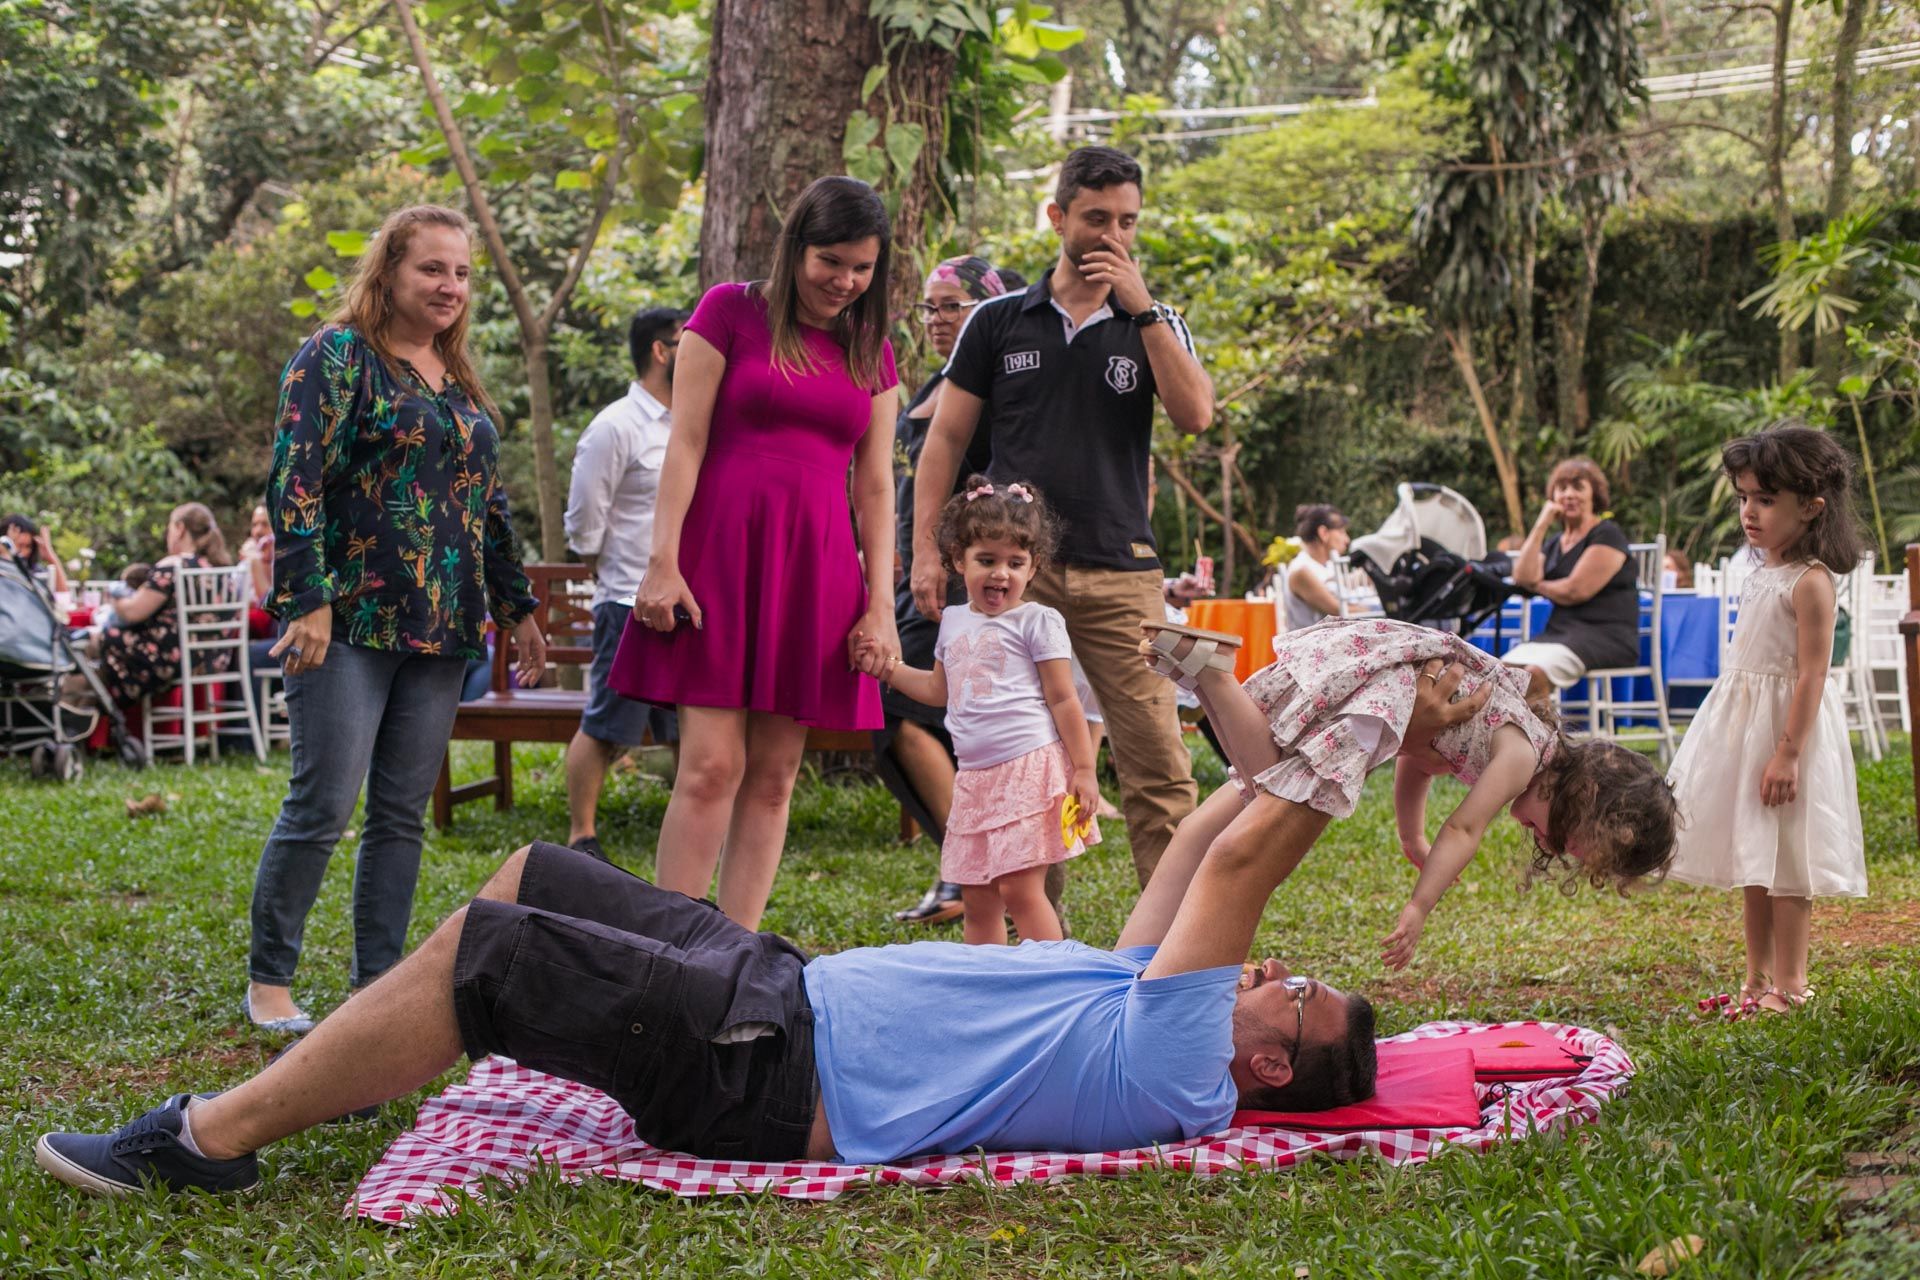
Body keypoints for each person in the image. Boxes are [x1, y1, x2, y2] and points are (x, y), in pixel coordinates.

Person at [25, 664, 1496, 1199]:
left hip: (771, 1077)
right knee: (539, 870)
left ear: (1261, 1075)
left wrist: (1371, 733)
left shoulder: (1181, 1072)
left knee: (493, 956)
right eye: (1293, 976)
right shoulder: (1145, 994)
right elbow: (1206, 834)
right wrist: (1353, 688)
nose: (1275, 978)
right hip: (780, 988)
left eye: (1289, 1003)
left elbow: (1249, 858)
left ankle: (208, 1142)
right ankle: (347, 1066)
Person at [244, 204, 547, 1036]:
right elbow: (295, 476)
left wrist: (516, 605)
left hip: (442, 627)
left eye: (460, 273)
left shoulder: (457, 377)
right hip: (349, 622)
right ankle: (271, 980)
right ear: (390, 272)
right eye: (432, 269)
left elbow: (490, 503)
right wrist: (305, 598)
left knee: (401, 815)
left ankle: (374, 983)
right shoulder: (338, 356)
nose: (449, 286)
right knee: (323, 803)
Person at [911, 145, 1214, 889]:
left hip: (1124, 571)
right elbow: (945, 439)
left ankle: (1172, 951)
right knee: (1021, 762)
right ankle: (1041, 949)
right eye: (1097, 218)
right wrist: (925, 551)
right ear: (1058, 217)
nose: (1114, 234)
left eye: (1128, 221)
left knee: (1159, 770)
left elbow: (1196, 415)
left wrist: (1141, 311)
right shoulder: (996, 321)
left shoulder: (1156, 321)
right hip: (1018, 576)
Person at [610, 177, 900, 929]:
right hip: (721, 556)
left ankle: (732, 952)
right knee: (709, 767)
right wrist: (662, 560)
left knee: (774, 778)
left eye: (862, 267)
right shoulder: (729, 310)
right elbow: (687, 440)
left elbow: (874, 489)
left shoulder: (872, 349)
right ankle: (669, 945)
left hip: (816, 567)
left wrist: (879, 606)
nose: (845, 281)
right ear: (796, 245)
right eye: (831, 260)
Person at [1137, 615, 1677, 970]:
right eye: (1556, 835)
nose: (1544, 842)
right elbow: (1465, 827)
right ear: (1581, 797)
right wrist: (1420, 906)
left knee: (1265, 777)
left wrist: (1410, 834)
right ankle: (1212, 674)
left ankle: (1202, 675)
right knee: (1277, 784)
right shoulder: (1519, 758)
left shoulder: (1502, 736)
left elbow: (1418, 765)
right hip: (1395, 691)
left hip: (1394, 687)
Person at [1666, 426, 1868, 1017]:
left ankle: (1793, 984)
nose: (1750, 512)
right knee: (1754, 857)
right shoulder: (1761, 572)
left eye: (1766, 500)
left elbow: (1810, 676)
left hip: (1787, 735)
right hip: (1746, 730)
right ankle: (1756, 981)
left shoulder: (1811, 583)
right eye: (1744, 498)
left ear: (1811, 507)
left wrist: (1787, 753)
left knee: (1789, 863)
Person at [863, 479, 1100, 945]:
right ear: (958, 561)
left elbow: (1063, 699)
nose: (1001, 574)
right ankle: (988, 988)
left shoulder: (1038, 622)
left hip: (1028, 770)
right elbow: (936, 689)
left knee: (1020, 890)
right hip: (974, 779)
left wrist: (1085, 768)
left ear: (1033, 569)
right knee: (978, 896)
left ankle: (1051, 984)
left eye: (1016, 563)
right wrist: (887, 670)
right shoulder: (953, 621)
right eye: (986, 561)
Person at [884, 255, 1026, 925]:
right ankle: (965, 870)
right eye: (929, 308)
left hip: (960, 579)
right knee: (892, 717)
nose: (936, 320)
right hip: (920, 573)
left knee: (902, 710)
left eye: (950, 305)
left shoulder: (997, 386)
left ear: (988, 310)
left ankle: (969, 871)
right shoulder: (940, 381)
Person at [561, 306, 690, 862]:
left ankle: (690, 827)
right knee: (608, 725)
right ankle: (581, 834)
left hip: (686, 603)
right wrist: (614, 570)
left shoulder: (693, 422)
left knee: (687, 729)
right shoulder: (615, 426)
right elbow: (584, 524)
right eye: (687, 341)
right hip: (627, 602)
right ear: (661, 351)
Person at [60, 504, 234, 712]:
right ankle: (83, 726)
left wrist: (115, 596)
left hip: (169, 660)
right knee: (93, 669)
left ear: (179, 528)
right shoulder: (222, 569)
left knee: (86, 644)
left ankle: (68, 727)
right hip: (211, 659)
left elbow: (132, 612)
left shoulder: (174, 566)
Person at [1502, 458, 1640, 705]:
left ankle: (1540, 742)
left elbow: (1575, 590)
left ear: (1594, 495)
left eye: (1578, 487)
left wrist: (1537, 585)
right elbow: (1521, 576)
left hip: (1605, 636)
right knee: (1500, 671)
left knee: (1532, 675)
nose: (1569, 494)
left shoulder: (1607, 534)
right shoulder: (1555, 542)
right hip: (1558, 634)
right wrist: (1542, 523)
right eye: (1562, 488)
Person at [1282, 503, 1351, 631]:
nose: (1347, 539)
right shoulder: (1301, 571)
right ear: (1323, 533)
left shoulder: (1326, 565)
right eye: (1341, 532)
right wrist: (1378, 605)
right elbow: (1341, 610)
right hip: (1312, 647)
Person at [1, 514, 69, 596]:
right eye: (18, 545)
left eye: (27, 546)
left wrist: (50, 556)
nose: (22, 552)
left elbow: (63, 596)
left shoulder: (34, 571)